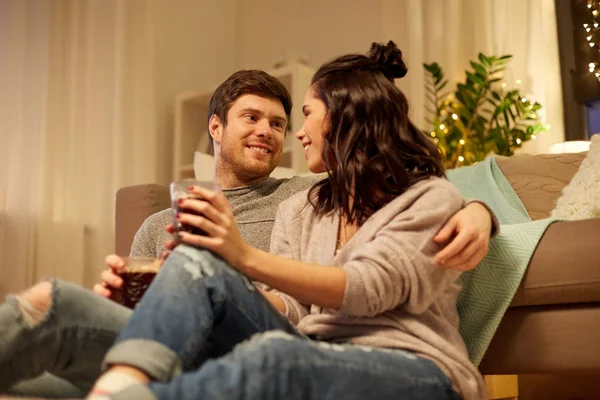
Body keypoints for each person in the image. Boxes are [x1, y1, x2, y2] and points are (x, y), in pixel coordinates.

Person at [0, 66, 492, 398]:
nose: (286, 134)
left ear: (346, 117)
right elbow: (292, 307)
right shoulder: (307, 206)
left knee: (268, 353)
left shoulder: (309, 189)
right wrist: (148, 295)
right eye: (253, 118)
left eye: (291, 119)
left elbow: (392, 250)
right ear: (215, 127)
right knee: (53, 304)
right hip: (212, 340)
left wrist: (480, 212)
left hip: (374, 359)